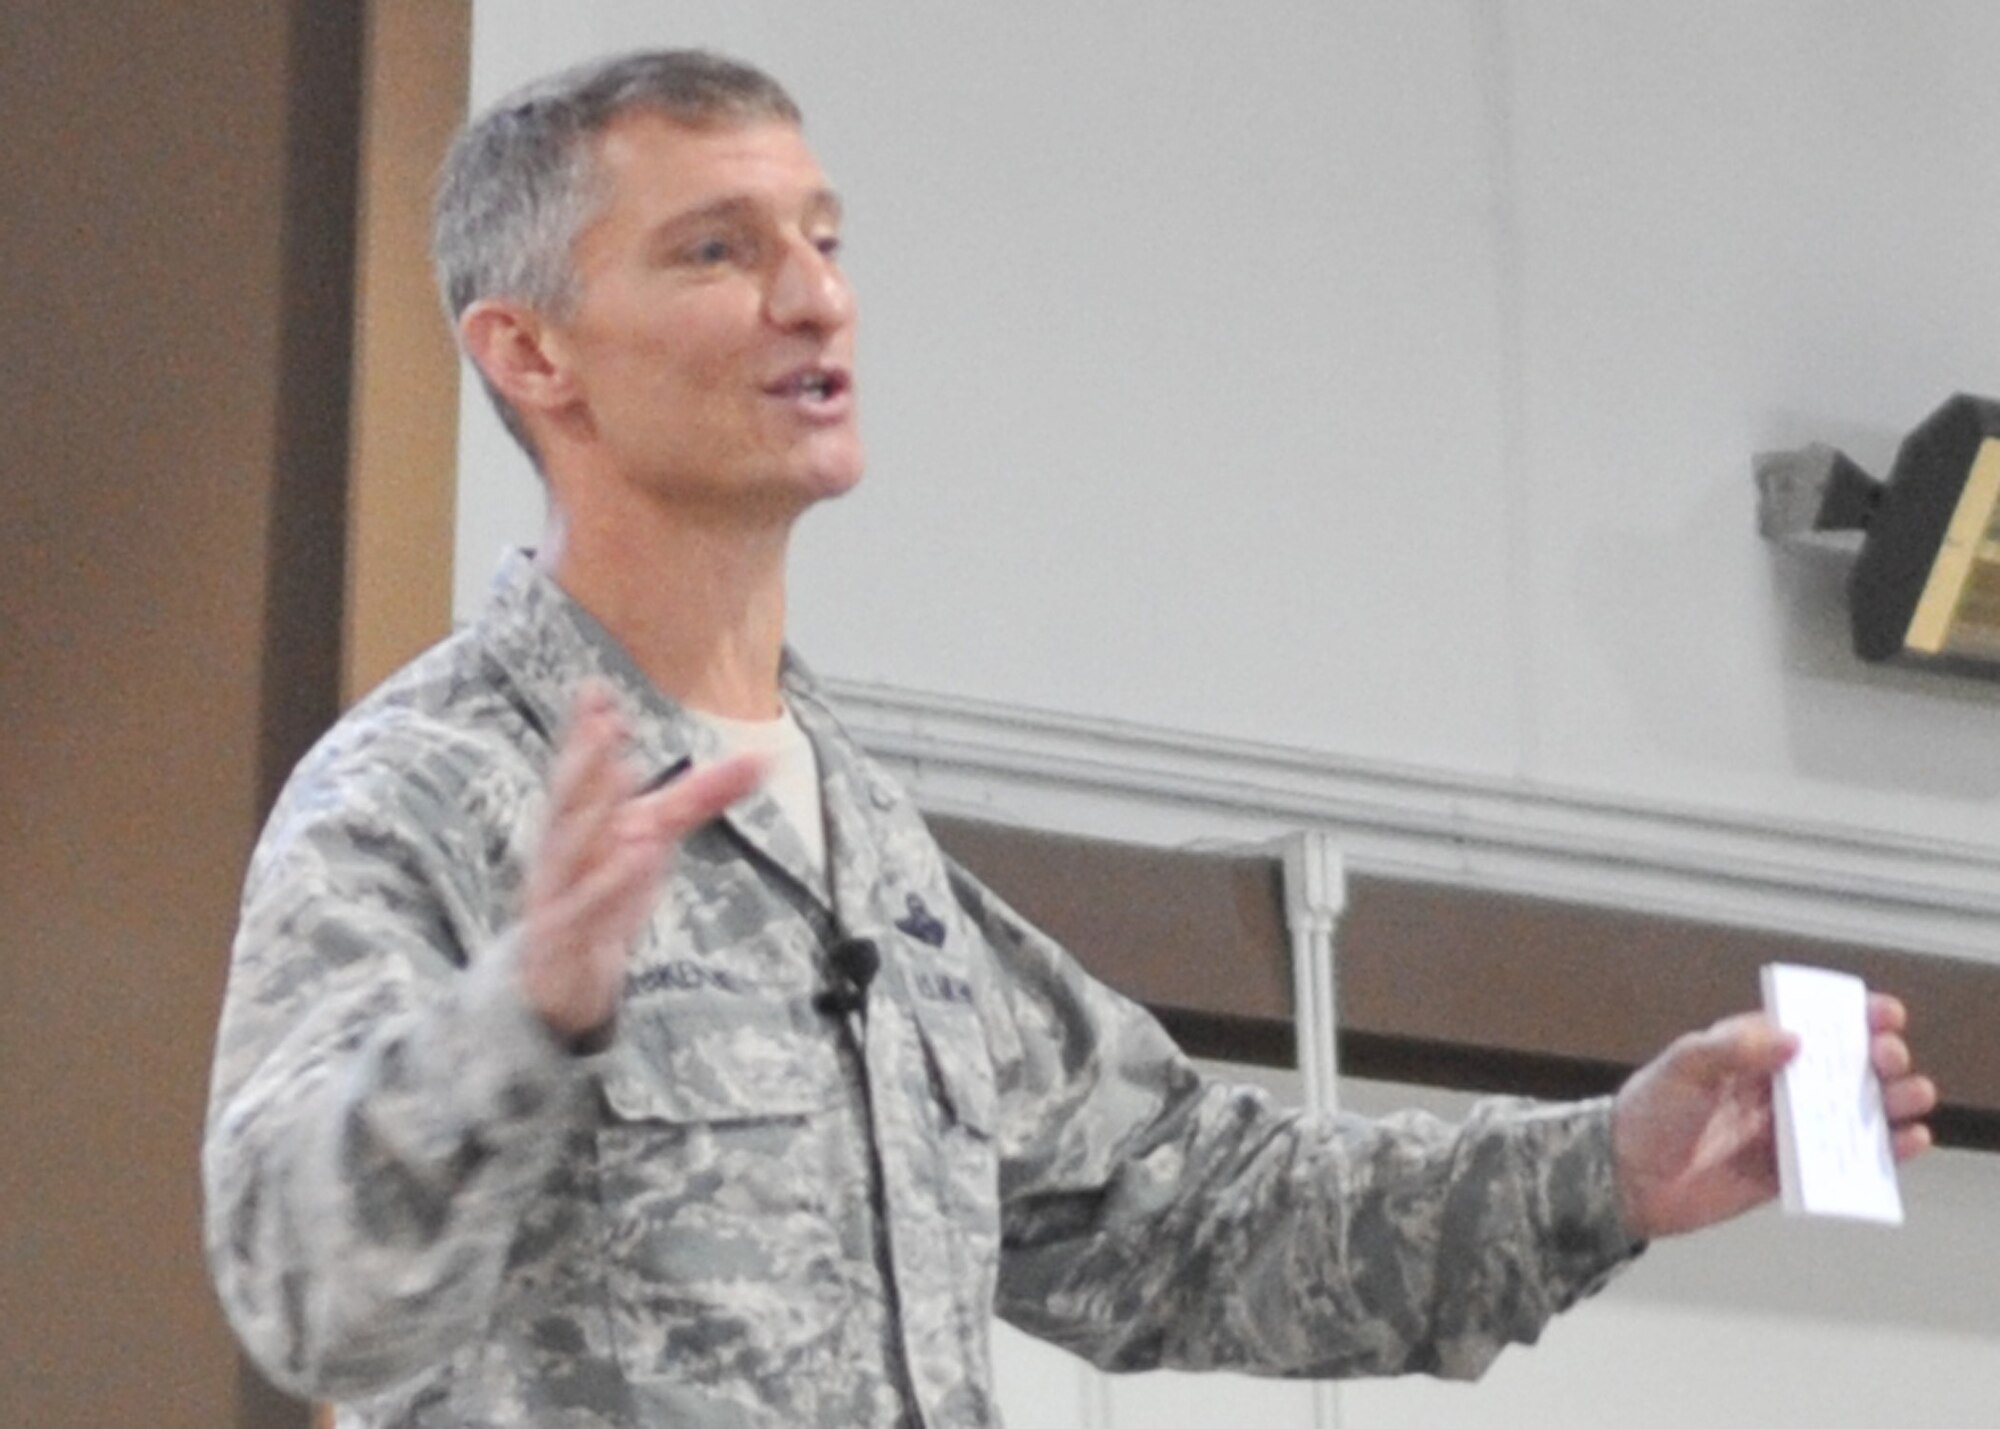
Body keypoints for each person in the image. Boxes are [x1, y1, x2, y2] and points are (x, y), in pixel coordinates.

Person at [202, 49, 1937, 1429]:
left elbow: (1184, 1216)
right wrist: (523, 1018)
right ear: (530, 358)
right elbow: (305, 1291)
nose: (816, 300)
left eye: (824, 235)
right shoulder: (419, 794)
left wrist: (1607, 1167)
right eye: (719, 250)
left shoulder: (865, 844)